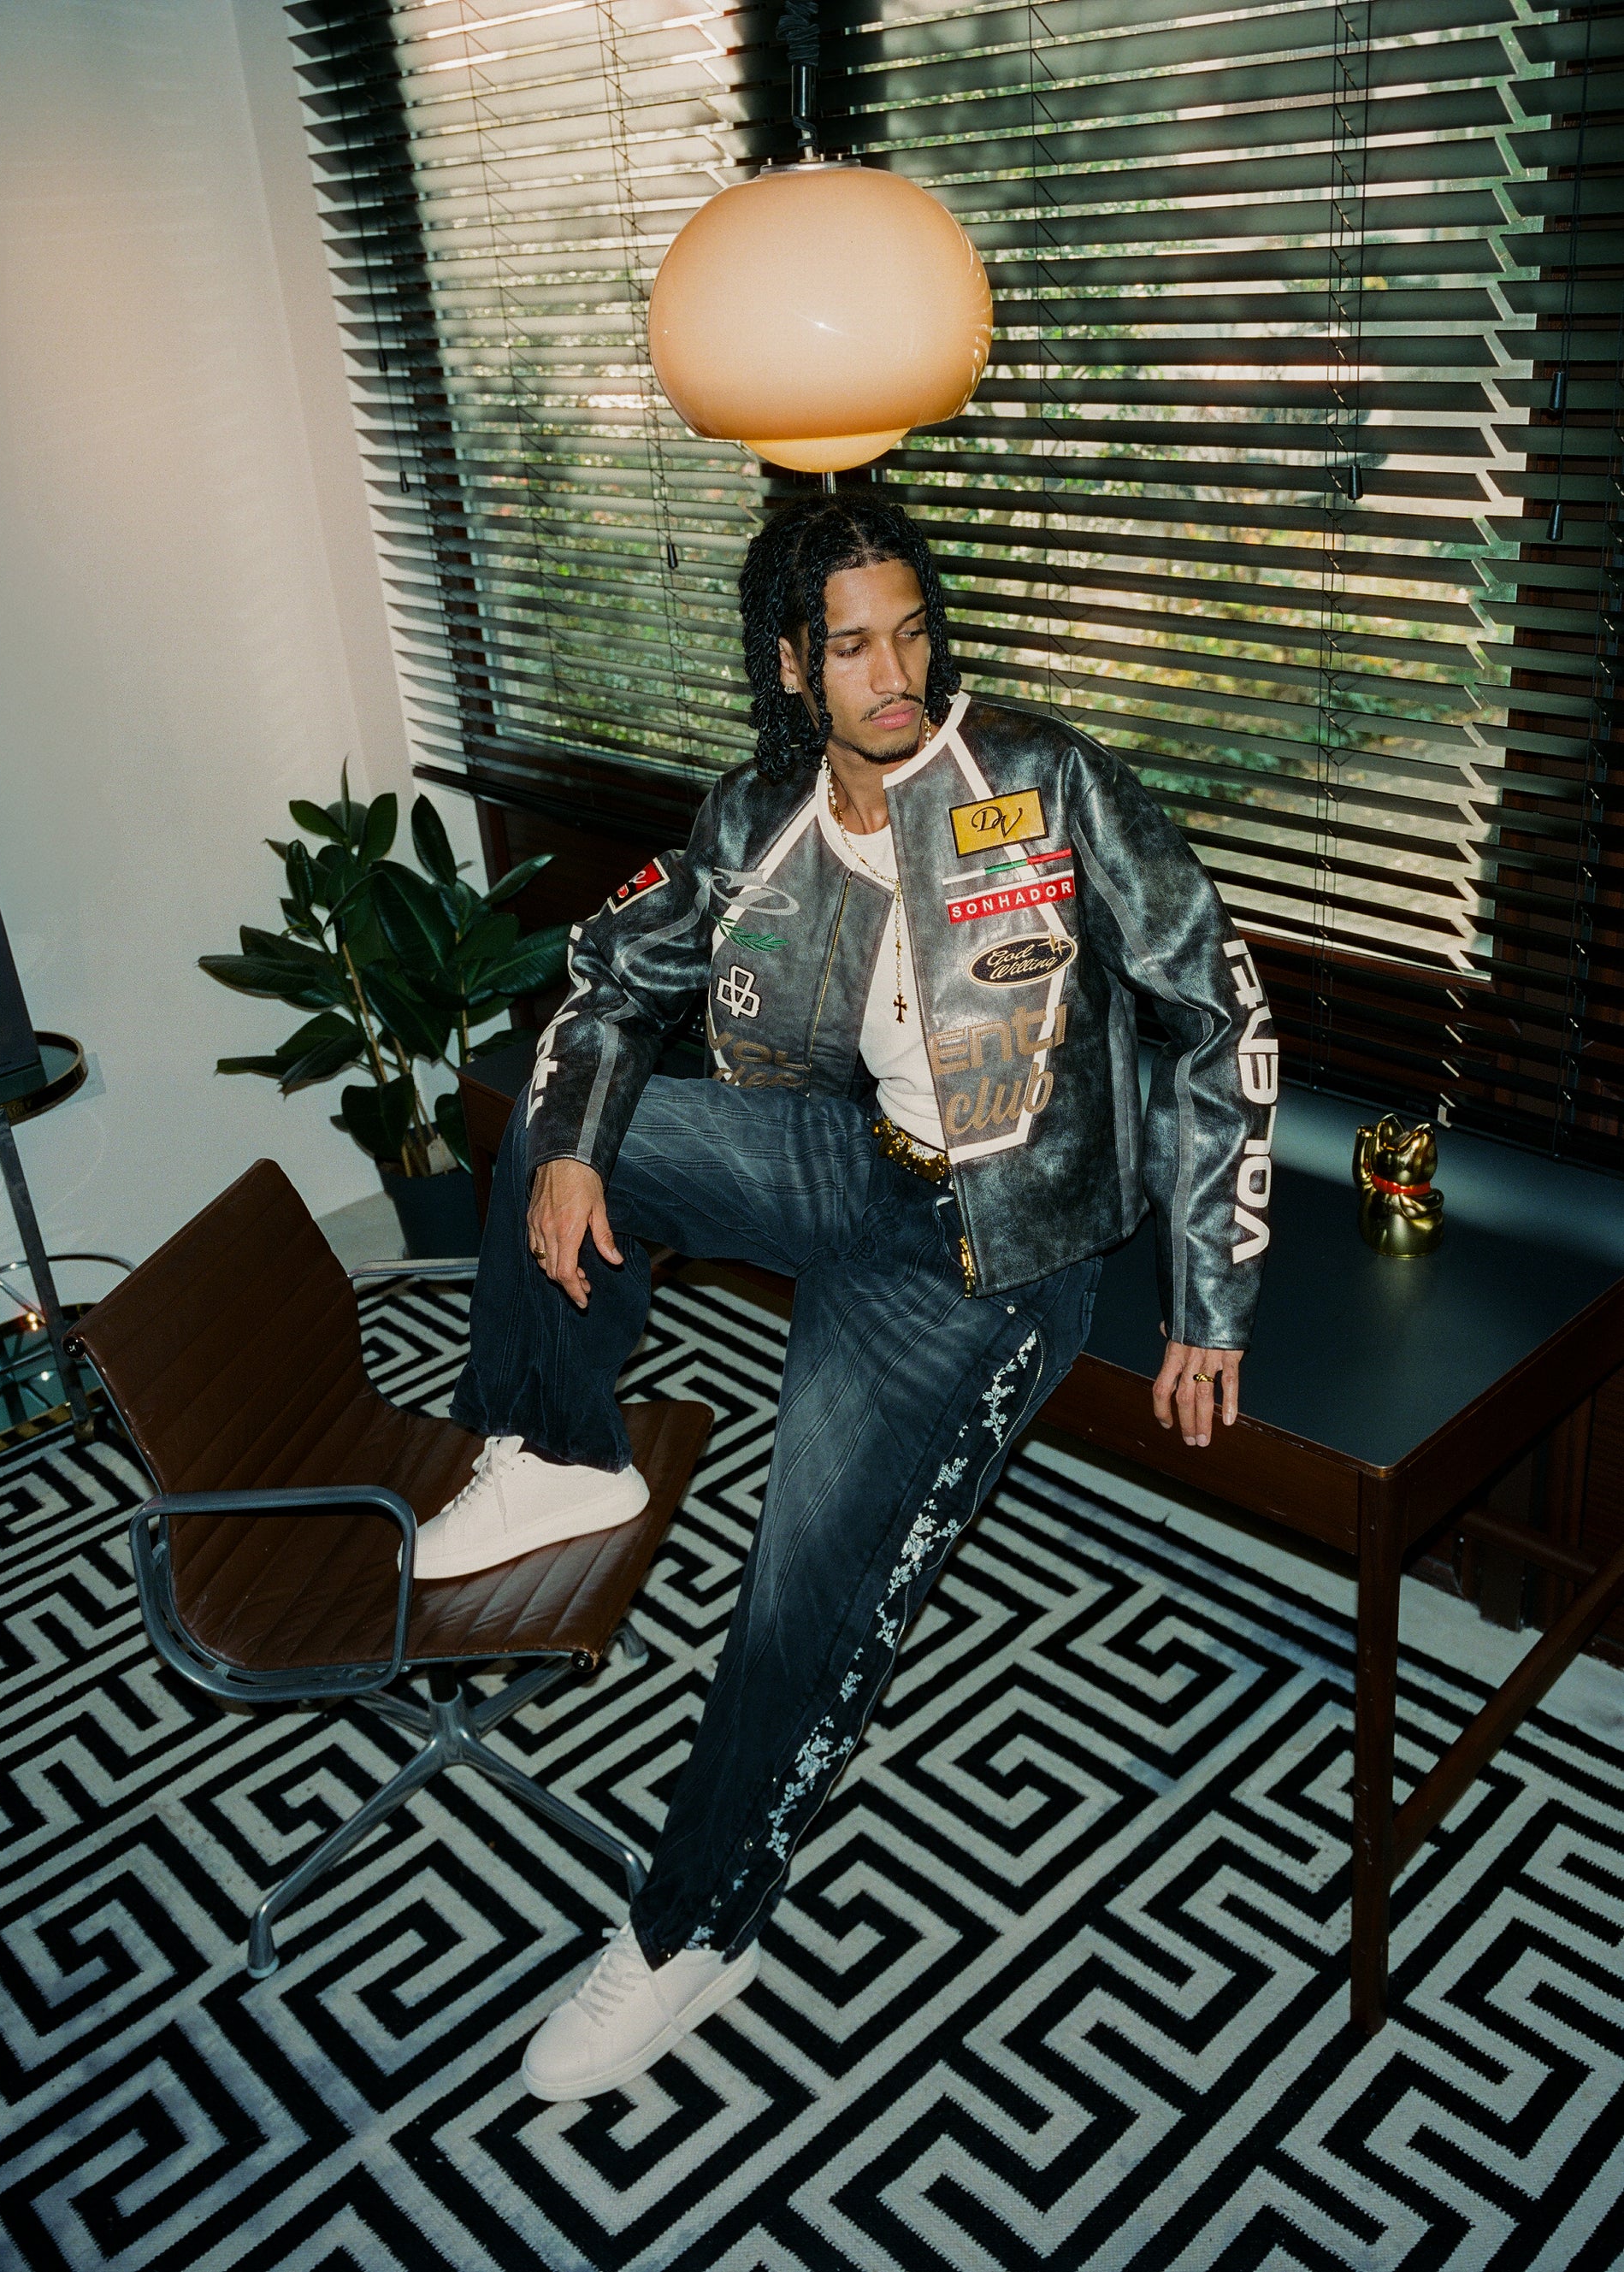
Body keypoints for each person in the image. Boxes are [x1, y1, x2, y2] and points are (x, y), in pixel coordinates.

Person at [425, 493, 1278, 2101]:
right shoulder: (754, 814)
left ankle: (693, 1924)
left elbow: (1216, 1013)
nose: (896, 674)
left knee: (795, 1597)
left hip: (992, 1246)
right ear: (789, 665)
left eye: (913, 632)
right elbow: (606, 982)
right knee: (562, 1132)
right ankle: (559, 1448)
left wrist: (1206, 1297)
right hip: (846, 1156)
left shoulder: (1044, 779)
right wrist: (576, 1149)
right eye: (852, 647)